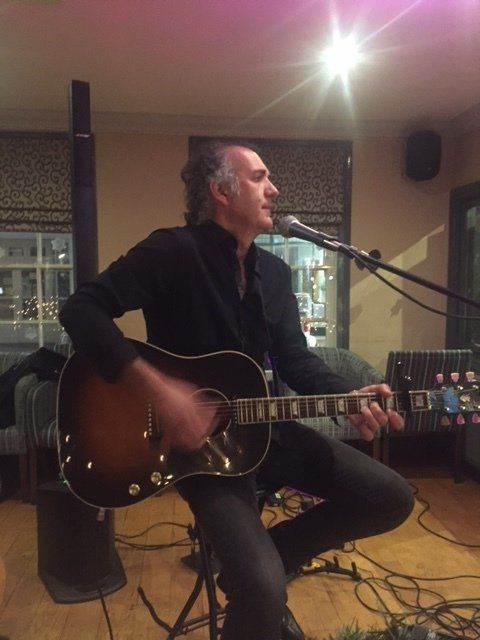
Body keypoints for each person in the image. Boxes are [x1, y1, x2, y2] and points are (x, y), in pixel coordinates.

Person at [59, 141, 414, 640]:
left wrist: (350, 396)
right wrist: (159, 390)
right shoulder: (172, 251)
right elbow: (80, 310)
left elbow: (295, 360)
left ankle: (267, 563)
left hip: (266, 433)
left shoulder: (276, 274)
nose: (274, 189)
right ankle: (259, 584)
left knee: (390, 497)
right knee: (263, 590)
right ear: (220, 192)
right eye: (259, 177)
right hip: (195, 452)